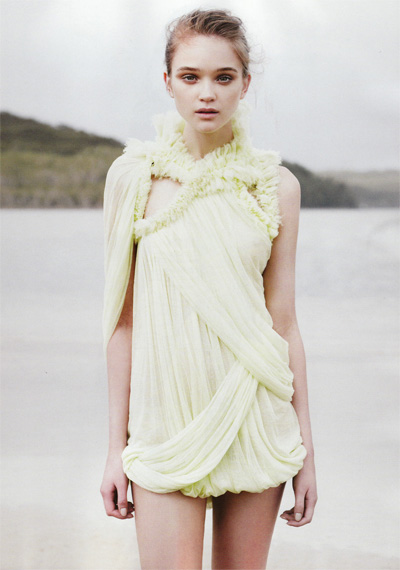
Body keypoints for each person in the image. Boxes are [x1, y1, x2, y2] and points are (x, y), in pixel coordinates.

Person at [100, 8, 317, 569]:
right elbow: (122, 323)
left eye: (224, 77)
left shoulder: (276, 186)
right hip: (164, 423)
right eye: (190, 76)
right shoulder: (133, 178)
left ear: (245, 83)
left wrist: (307, 451)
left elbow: (284, 322)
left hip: (255, 413)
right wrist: (115, 449)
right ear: (167, 81)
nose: (207, 93)